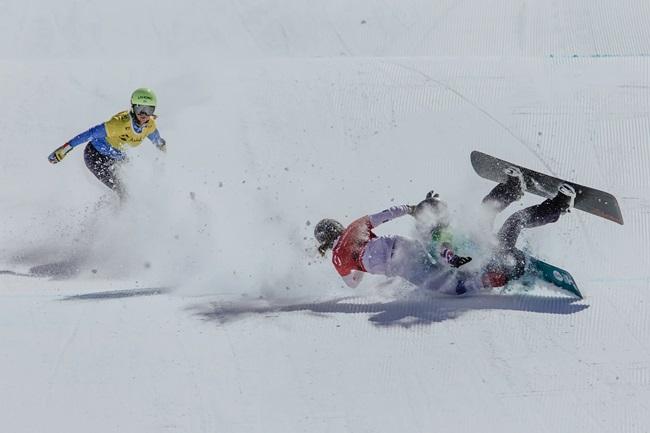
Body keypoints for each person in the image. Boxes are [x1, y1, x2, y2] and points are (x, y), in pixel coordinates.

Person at [314, 166, 576, 294]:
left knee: (489, 211)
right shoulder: (355, 229)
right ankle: (558, 204)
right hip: (491, 262)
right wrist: (412, 207)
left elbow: (354, 282)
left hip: (477, 255)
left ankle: (518, 189)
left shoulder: (340, 260)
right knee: (512, 220)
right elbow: (451, 258)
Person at [48, 88, 167, 196]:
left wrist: (163, 154)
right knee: (123, 192)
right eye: (140, 109)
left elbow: (158, 141)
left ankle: (116, 208)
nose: (144, 115)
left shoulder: (149, 125)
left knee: (134, 185)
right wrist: (65, 149)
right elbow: (90, 134)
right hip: (96, 156)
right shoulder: (119, 124)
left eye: (149, 110)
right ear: (133, 107)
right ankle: (119, 215)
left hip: (118, 157)